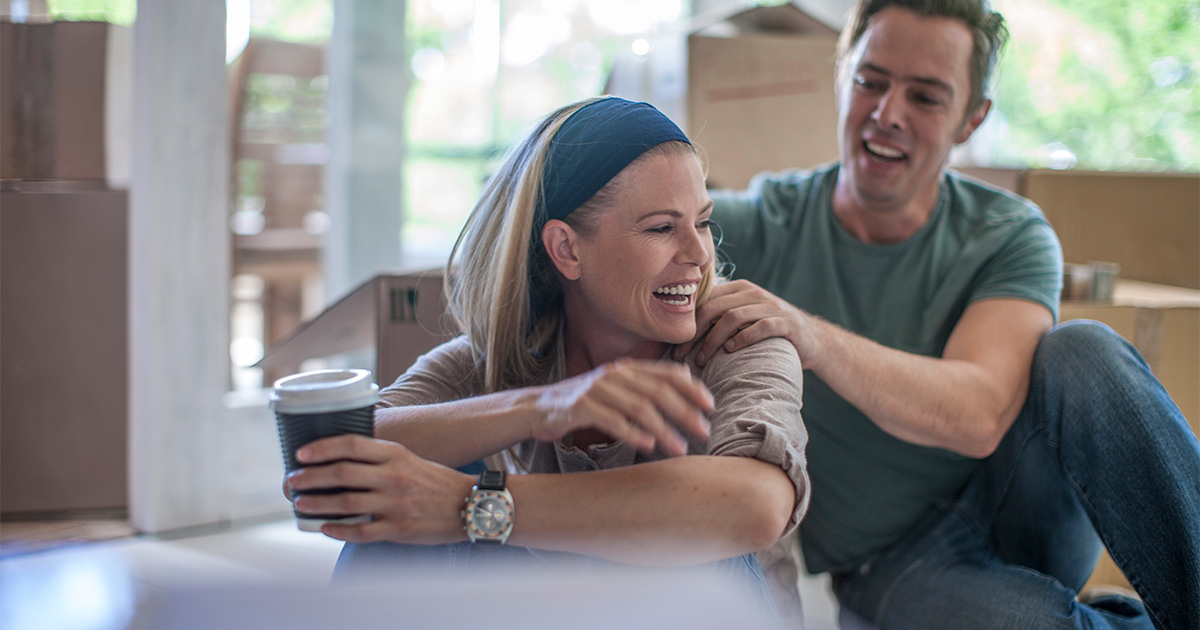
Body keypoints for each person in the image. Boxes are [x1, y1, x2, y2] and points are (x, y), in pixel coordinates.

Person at [682, 0, 1200, 628]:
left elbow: (979, 415)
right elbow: (628, 235)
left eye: (926, 98)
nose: (887, 113)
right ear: (841, 77)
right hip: (889, 560)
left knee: (1083, 349)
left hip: (1016, 499)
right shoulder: (757, 225)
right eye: (871, 80)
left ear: (971, 118)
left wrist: (810, 334)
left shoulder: (1007, 233)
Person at [282, 96, 810, 610]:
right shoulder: (513, 352)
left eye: (702, 222)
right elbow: (332, 462)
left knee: (699, 516)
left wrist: (469, 505)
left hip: (707, 609)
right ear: (566, 249)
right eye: (662, 228)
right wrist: (544, 405)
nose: (698, 254)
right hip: (556, 611)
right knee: (400, 491)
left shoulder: (739, 339)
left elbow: (756, 505)